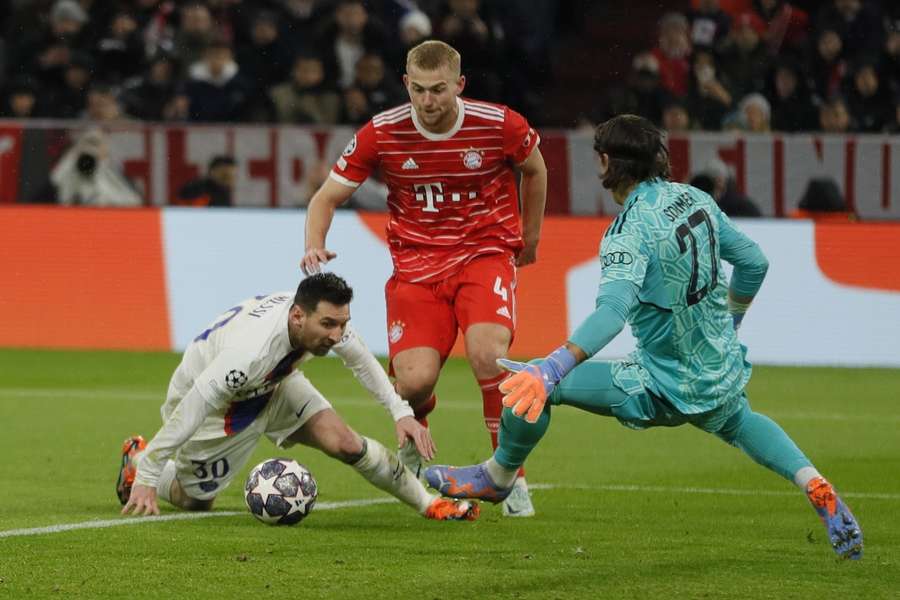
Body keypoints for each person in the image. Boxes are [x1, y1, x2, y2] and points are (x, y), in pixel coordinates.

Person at [425, 114, 863, 560]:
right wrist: (731, 324)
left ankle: (499, 476)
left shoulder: (628, 232)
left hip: (657, 383)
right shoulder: (696, 198)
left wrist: (551, 368)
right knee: (740, 422)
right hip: (717, 371)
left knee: (527, 387)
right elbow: (754, 263)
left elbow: (613, 313)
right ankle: (814, 482)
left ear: (605, 162)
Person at [301, 40, 547, 517]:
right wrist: (314, 242)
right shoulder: (381, 132)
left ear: (459, 84)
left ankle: (508, 474)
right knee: (412, 383)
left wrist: (529, 237)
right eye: (419, 90)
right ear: (405, 85)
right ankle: (414, 426)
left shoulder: (499, 124)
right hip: (416, 269)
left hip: (484, 253)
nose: (428, 101)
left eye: (438, 90)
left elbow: (534, 169)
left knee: (489, 356)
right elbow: (324, 199)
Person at [118, 273, 479, 522]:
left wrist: (401, 412)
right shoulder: (250, 353)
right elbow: (193, 407)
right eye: (329, 326)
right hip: (221, 408)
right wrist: (149, 473)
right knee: (193, 500)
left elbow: (365, 364)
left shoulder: (321, 319)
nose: (338, 335)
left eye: (343, 324)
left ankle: (430, 504)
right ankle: (138, 460)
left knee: (347, 443)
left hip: (275, 384)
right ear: (297, 317)